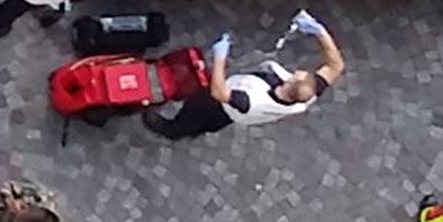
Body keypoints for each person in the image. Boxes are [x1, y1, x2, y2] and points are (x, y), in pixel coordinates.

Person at [142, 12, 345, 139]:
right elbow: (335, 66)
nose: (300, 71)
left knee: (195, 112)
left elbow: (219, 93)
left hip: (219, 107)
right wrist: (320, 32)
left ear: (292, 81)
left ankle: (172, 130)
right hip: (231, 109)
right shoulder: (305, 94)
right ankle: (195, 130)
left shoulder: (251, 101)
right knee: (209, 124)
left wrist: (220, 57)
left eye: (299, 74)